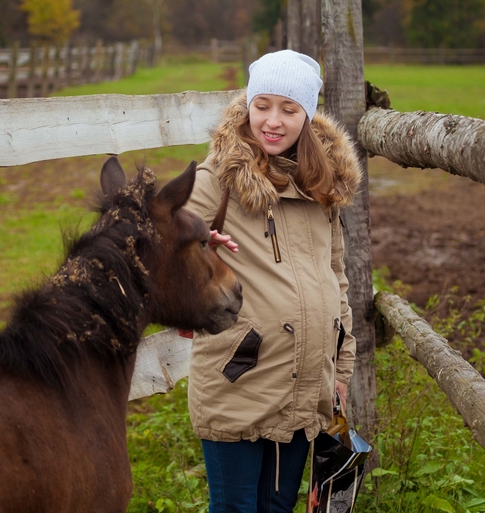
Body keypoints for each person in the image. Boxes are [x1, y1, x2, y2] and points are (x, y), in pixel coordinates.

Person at [183, 49, 360, 513]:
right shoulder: (214, 181)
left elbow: (335, 279)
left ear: (307, 114)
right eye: (262, 105)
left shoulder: (322, 187)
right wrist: (199, 247)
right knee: (237, 509)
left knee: (277, 509)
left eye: (289, 109)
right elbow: (163, 251)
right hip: (238, 380)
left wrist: (339, 370)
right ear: (247, 105)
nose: (273, 121)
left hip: (305, 384)